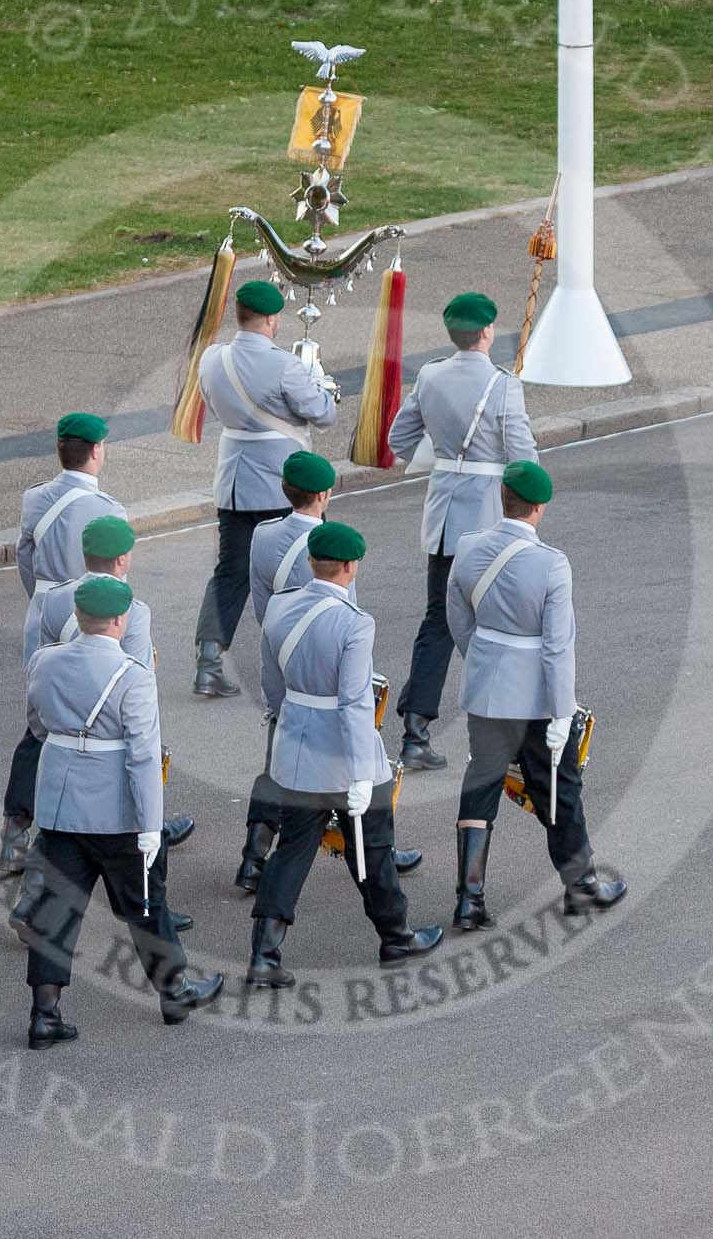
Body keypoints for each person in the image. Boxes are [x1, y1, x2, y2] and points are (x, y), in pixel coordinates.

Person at [15, 576, 223, 1047]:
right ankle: (173, 991)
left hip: (62, 803)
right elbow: (144, 756)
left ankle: (44, 1013)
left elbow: (36, 725)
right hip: (115, 810)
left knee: (56, 909)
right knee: (144, 905)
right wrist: (151, 826)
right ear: (118, 620)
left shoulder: (45, 662)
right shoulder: (132, 676)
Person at [245, 523, 442, 987]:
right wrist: (358, 775)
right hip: (344, 753)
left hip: (296, 748)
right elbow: (355, 703)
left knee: (292, 851)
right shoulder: (354, 622)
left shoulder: (279, 608)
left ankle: (263, 953)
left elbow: (271, 682)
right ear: (351, 568)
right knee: (372, 848)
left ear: (312, 562)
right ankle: (395, 935)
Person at [446, 461, 625, 929]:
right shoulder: (551, 564)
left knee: (480, 785)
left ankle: (469, 899)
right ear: (539, 508)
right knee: (559, 790)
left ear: (502, 498)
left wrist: (485, 661)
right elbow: (558, 646)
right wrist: (561, 711)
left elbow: (459, 621)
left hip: (487, 690)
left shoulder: (467, 549)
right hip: (535, 699)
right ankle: (580, 885)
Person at [238, 452, 420, 892]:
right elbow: (345, 609)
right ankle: (377, 851)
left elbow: (262, 604)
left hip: (284, 653)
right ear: (323, 494)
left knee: (276, 767)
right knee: (354, 767)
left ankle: (252, 859)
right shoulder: (331, 545)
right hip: (326, 660)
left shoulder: (263, 537)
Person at [9, 517, 193, 934]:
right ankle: (153, 905)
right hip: (112, 727)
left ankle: (29, 903)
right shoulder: (133, 611)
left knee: (58, 829)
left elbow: (40, 661)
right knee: (138, 823)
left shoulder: (57, 599)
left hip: (61, 722)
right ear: (123, 559)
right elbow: (138, 676)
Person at [386, 292, 538, 773]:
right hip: (492, 522)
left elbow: (399, 440)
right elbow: (523, 457)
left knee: (438, 625)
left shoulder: (430, 375)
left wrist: (448, 451)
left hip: (446, 519)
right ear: (488, 331)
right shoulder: (502, 385)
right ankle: (507, 736)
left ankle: (415, 730)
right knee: (501, 628)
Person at [190, 280, 338, 697]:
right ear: (272, 319)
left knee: (230, 571)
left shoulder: (212, 359)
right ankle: (303, 655)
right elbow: (321, 414)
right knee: (302, 571)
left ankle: (208, 658)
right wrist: (323, 389)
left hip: (235, 479)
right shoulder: (285, 365)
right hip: (281, 481)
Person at [0, 415, 133, 871]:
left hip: (44, 613)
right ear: (96, 451)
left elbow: (24, 558)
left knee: (39, 725)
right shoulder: (110, 509)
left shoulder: (35, 498)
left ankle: (14, 832)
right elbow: (118, 577)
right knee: (111, 723)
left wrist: (41, 600)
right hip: (93, 617)